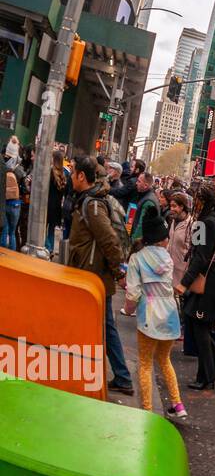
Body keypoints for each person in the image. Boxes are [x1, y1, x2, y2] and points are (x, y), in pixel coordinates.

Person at [66, 156, 133, 395]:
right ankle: (116, 375)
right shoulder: (89, 200)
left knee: (106, 326)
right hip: (90, 274)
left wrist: (119, 272)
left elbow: (108, 241)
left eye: (73, 172)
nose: (71, 176)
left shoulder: (93, 205)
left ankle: (122, 377)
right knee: (103, 325)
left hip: (94, 277)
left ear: (82, 176)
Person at [123, 206, 186, 420]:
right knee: (164, 360)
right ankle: (177, 404)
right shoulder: (167, 259)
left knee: (145, 364)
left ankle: (147, 409)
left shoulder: (137, 259)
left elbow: (132, 294)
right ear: (162, 239)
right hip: (169, 316)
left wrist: (128, 309)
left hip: (149, 316)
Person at [180, 183, 215, 390]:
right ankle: (208, 371)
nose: (193, 202)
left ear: (201, 201)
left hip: (207, 279)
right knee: (202, 326)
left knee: (199, 327)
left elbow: (200, 257)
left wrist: (184, 282)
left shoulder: (202, 224)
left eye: (195, 198)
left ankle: (208, 373)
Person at [128, 171, 161, 241]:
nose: (136, 183)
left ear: (145, 185)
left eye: (139, 181)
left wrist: (133, 243)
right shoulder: (142, 195)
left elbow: (141, 227)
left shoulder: (149, 201)